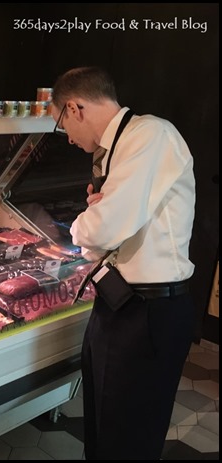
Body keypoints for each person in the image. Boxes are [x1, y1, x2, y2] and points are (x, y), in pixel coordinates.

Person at [50, 66, 196, 460]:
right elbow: (110, 227)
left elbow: (103, 229)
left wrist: (88, 223)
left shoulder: (150, 134)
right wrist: (101, 217)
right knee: (102, 428)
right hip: (117, 304)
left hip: (150, 311)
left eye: (62, 125)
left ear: (74, 108)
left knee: (128, 440)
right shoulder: (118, 147)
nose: (67, 138)